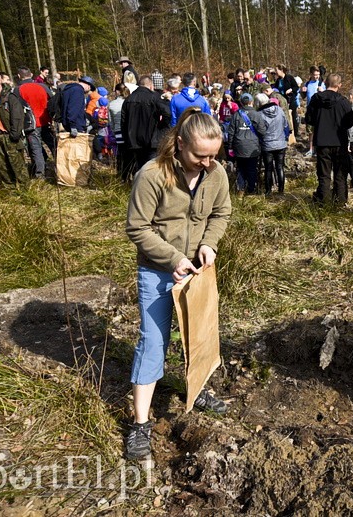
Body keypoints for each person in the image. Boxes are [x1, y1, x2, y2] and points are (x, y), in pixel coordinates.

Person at [124, 108, 231, 460]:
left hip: (197, 272)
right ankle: (140, 424)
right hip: (157, 271)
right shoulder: (152, 175)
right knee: (153, 342)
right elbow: (137, 227)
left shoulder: (216, 174)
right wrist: (173, 259)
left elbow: (221, 213)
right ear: (180, 144)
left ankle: (195, 389)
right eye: (200, 155)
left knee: (199, 336)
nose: (208, 163)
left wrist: (209, 244)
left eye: (213, 155)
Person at [306, 73, 353, 205]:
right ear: (339, 85)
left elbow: (309, 119)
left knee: (324, 174)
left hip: (322, 141)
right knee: (340, 174)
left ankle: (324, 202)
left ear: (325, 83)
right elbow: (350, 121)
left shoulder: (316, 99)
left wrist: (320, 122)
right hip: (339, 141)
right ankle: (340, 202)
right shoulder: (343, 102)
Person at [121, 76, 171, 180]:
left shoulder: (128, 99)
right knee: (151, 168)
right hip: (151, 138)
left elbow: (123, 121)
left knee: (139, 167)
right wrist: (161, 126)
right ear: (151, 85)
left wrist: (126, 138)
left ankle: (140, 185)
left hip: (134, 139)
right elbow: (167, 113)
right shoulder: (154, 97)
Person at [0, 71, 28, 185]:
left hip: (9, 136)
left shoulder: (10, 97)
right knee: (2, 166)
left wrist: (14, 135)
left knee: (17, 165)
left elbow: (17, 117)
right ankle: (9, 189)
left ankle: (25, 189)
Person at [16, 66, 53, 179]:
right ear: (31, 74)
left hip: (31, 124)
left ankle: (40, 175)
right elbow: (52, 101)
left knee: (36, 149)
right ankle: (62, 167)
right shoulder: (43, 86)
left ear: (19, 76)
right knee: (53, 145)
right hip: (45, 120)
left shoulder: (18, 90)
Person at [227, 93, 266, 195]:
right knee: (252, 169)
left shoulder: (236, 115)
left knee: (240, 169)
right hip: (253, 146)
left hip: (239, 146)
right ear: (251, 102)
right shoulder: (257, 114)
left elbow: (231, 133)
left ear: (241, 102)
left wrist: (230, 147)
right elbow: (262, 131)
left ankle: (240, 190)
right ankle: (251, 190)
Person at [255, 92, 288, 196]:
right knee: (280, 167)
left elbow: (260, 131)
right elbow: (285, 125)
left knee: (268, 169)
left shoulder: (260, 114)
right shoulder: (279, 110)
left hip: (267, 145)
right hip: (281, 143)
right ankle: (281, 190)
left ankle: (268, 191)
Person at [301, 66, 325, 157]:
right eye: (315, 75)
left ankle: (318, 149)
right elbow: (303, 97)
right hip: (310, 110)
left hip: (319, 110)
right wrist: (302, 91)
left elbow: (326, 97)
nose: (316, 77)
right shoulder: (307, 83)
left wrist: (322, 91)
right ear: (311, 74)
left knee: (319, 130)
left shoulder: (321, 83)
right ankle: (311, 149)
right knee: (310, 131)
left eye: (318, 75)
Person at [272, 65, 300, 139]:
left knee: (293, 117)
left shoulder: (289, 78)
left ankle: (295, 134)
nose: (276, 72)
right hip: (282, 102)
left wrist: (291, 90)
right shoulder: (278, 80)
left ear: (281, 70)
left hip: (290, 101)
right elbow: (276, 88)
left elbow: (296, 87)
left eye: (277, 70)